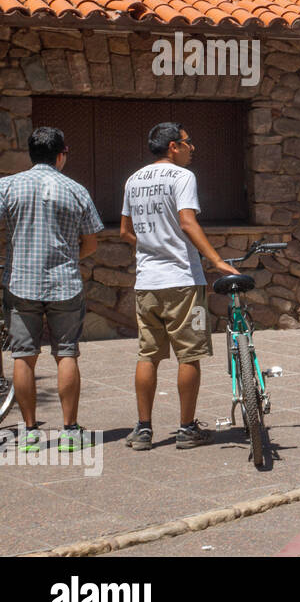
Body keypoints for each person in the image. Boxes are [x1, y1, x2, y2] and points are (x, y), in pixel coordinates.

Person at [120, 122, 238, 451]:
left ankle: (143, 430)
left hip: (147, 283)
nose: (192, 149)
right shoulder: (183, 177)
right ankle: (187, 429)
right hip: (183, 281)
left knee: (148, 356)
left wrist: (150, 246)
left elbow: (125, 232)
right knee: (190, 355)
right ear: (173, 146)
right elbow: (187, 221)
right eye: (188, 143)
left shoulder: (133, 180)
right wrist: (215, 260)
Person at [0, 127, 102, 453]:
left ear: (31, 154)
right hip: (65, 284)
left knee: (23, 356)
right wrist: (69, 256)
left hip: (21, 283)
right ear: (61, 154)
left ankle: (30, 432)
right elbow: (91, 242)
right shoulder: (76, 190)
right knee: (67, 353)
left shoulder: (8, 186)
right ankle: (70, 431)